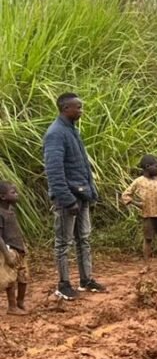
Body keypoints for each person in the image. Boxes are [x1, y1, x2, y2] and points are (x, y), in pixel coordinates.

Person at [43, 92, 105, 300]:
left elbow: (81, 166)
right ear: (65, 108)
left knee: (84, 239)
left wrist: (90, 191)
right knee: (63, 243)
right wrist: (68, 199)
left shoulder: (71, 130)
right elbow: (54, 171)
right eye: (77, 107)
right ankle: (63, 284)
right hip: (67, 198)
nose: (81, 110)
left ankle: (86, 280)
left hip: (82, 196)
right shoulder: (56, 133)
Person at [122, 154, 157, 272]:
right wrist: (137, 204)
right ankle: (146, 265)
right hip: (148, 215)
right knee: (148, 240)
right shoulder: (139, 181)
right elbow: (126, 195)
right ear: (147, 166)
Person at [0, 182, 29, 315]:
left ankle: (20, 302)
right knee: (11, 279)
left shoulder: (11, 210)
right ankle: (12, 306)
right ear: (3, 197)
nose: (17, 194)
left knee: (24, 277)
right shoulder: (1, 213)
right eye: (13, 192)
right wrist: (6, 254)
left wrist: (23, 244)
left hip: (20, 249)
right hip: (10, 250)